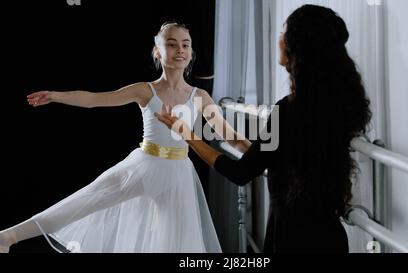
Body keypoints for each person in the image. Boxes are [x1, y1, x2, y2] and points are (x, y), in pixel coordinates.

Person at [0, 22, 250, 253]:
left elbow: (231, 136)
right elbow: (94, 100)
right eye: (172, 44)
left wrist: (264, 154)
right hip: (144, 166)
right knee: (82, 202)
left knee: (180, 243)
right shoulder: (145, 90)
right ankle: (9, 236)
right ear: (157, 52)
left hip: (179, 176)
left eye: (185, 44)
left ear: (192, 52)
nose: (180, 50)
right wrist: (56, 95)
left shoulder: (200, 96)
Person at [155, 5, 372, 253]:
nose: (279, 39)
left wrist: (188, 135)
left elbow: (241, 172)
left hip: (292, 238)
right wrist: (245, 145)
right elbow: (285, 155)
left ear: (296, 46)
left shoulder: (288, 110)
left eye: (283, 32)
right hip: (330, 237)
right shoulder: (334, 107)